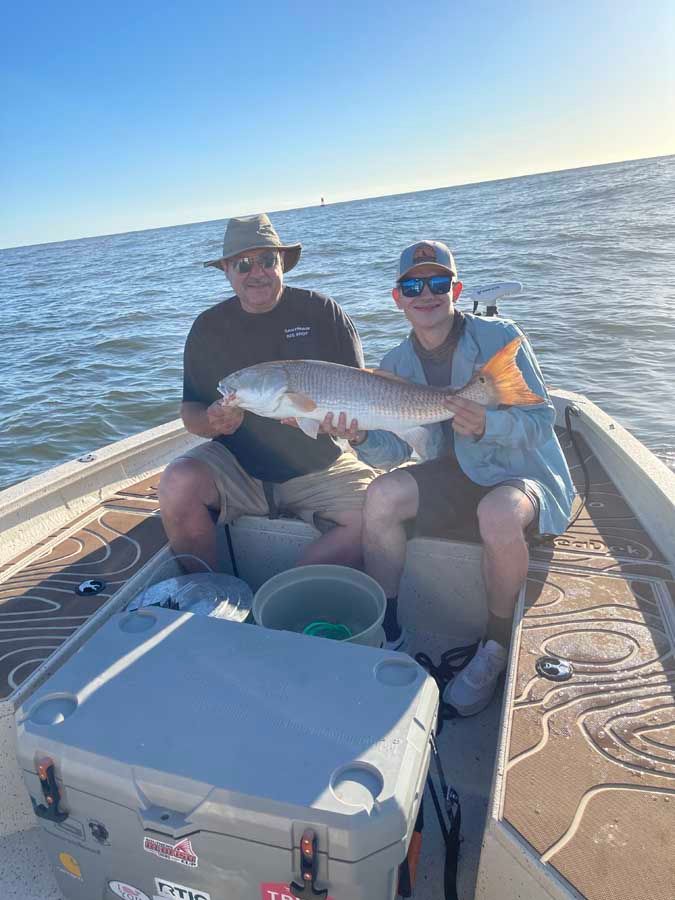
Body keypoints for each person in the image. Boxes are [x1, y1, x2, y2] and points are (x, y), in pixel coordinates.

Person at [327, 240, 575, 714]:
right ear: (397, 297)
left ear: (455, 289)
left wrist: (489, 423)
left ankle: (495, 648)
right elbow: (395, 450)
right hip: (451, 470)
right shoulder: (397, 364)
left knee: (497, 514)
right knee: (380, 496)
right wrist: (357, 438)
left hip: (521, 470)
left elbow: (541, 421)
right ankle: (390, 630)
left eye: (438, 282)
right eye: (413, 284)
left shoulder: (498, 336)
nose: (427, 293)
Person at [159, 213, 375, 575]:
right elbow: (190, 412)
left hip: (321, 465)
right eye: (243, 264)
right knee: (177, 483)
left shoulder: (323, 312)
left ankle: (299, 580)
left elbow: (361, 391)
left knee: (383, 513)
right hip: (238, 469)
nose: (255, 272)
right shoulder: (208, 328)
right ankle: (209, 593)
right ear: (227, 270)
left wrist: (347, 428)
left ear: (282, 264)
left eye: (267, 260)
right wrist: (212, 421)